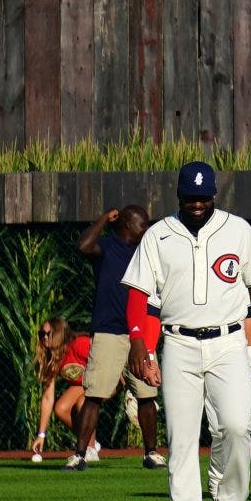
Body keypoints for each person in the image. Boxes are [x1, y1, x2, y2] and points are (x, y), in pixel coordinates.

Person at [124, 160, 251, 501]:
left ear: (213, 195)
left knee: (238, 427)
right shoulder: (159, 235)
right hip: (178, 343)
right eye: (190, 196)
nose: (197, 202)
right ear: (179, 195)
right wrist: (140, 344)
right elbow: (138, 295)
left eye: (203, 196)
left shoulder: (238, 230)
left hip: (228, 342)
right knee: (182, 439)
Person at [71, 201, 159, 470]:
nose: (146, 228)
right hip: (109, 330)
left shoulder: (145, 252)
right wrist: (102, 219)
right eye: (141, 223)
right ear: (125, 224)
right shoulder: (108, 246)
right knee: (95, 393)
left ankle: (151, 453)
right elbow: (84, 246)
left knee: (146, 395)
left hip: (140, 334)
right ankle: (80, 454)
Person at [30, 321, 87, 462]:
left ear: (59, 334)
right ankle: (89, 443)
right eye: (41, 334)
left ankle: (89, 449)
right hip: (83, 385)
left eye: (48, 334)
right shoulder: (51, 357)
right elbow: (48, 398)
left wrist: (127, 386)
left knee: (82, 403)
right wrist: (41, 435)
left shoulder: (80, 344)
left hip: (107, 380)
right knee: (61, 409)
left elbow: (108, 360)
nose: (44, 337)